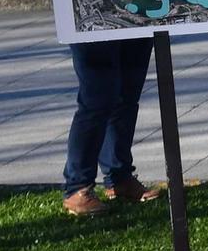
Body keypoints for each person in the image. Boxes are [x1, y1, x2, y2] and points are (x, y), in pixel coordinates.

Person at [61, 36, 162, 215]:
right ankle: (77, 187)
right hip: (93, 20)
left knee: (127, 93)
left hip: (134, 15)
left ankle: (119, 178)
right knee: (97, 96)